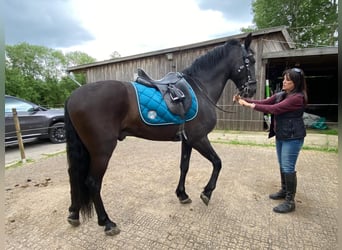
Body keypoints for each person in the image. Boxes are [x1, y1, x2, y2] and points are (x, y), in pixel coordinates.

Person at [233, 68, 308, 213]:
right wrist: (242, 99)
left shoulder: (297, 98)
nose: (284, 82)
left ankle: (290, 201)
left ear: (296, 83)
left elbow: (274, 109)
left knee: (288, 167)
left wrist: (249, 105)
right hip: (282, 134)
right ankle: (284, 190)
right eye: (284, 78)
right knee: (282, 164)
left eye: (288, 80)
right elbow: (264, 101)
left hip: (293, 137)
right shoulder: (281, 94)